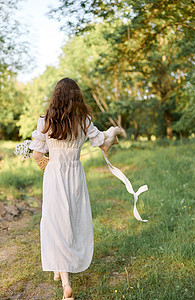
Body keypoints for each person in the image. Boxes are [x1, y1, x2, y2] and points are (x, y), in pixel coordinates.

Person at [29, 77, 124, 299]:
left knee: (54, 223)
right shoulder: (84, 122)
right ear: (77, 98)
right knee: (72, 220)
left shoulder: (46, 121)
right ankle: (60, 267)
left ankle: (66, 283)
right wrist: (112, 133)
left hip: (54, 174)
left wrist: (50, 171)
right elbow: (103, 145)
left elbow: (37, 155)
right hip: (75, 175)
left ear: (56, 97)